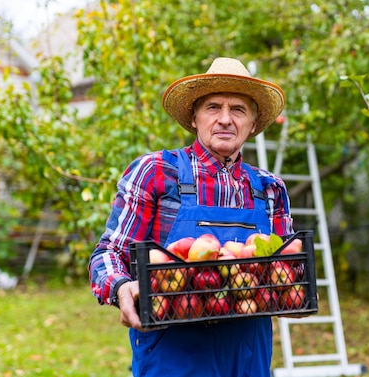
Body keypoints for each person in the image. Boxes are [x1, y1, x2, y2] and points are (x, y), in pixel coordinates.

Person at [88, 57, 294, 377]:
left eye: (238, 109)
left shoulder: (269, 189)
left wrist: (292, 290)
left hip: (248, 354)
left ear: (253, 124)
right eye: (213, 107)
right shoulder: (157, 173)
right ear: (194, 118)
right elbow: (108, 253)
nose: (225, 119)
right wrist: (120, 287)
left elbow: (285, 270)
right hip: (174, 353)